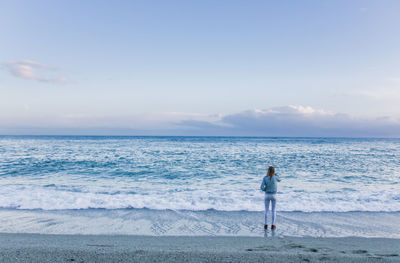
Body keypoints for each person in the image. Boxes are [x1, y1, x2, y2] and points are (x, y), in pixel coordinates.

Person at [260, 166, 280, 230]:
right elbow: (280, 180)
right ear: (274, 171)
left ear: (268, 171)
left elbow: (262, 188)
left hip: (267, 195)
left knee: (266, 210)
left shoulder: (265, 178)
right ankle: (273, 225)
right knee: (273, 210)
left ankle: (265, 224)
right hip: (274, 195)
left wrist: (266, 189)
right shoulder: (275, 177)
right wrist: (276, 174)